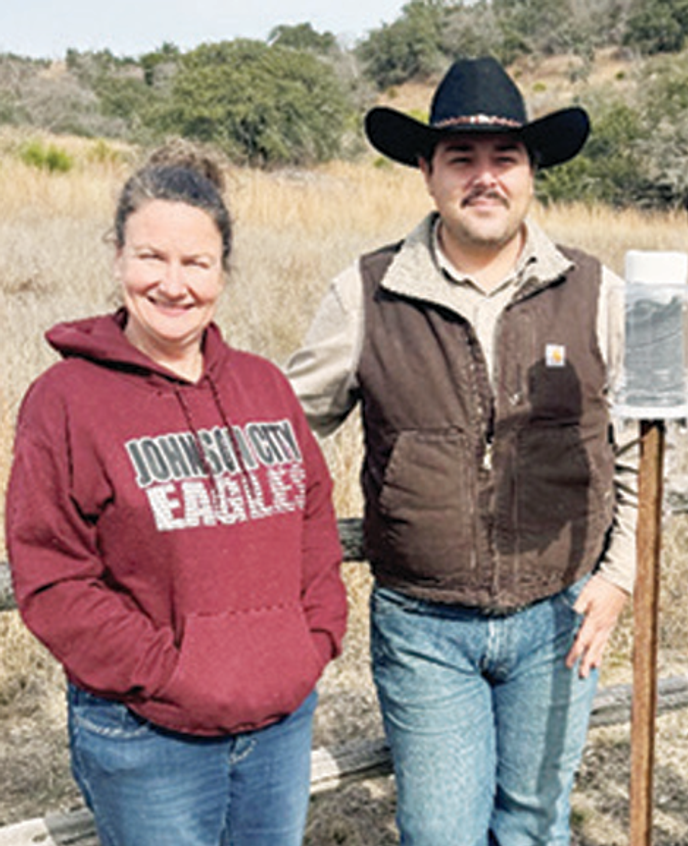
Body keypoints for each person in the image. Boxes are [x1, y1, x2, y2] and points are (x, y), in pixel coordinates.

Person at [285, 56, 637, 845]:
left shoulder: (597, 291)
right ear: (427, 172)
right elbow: (288, 432)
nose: (485, 178)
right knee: (441, 833)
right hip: (423, 623)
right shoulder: (367, 293)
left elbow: (647, 445)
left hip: (561, 615)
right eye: (461, 159)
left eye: (505, 158)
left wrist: (619, 575)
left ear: (532, 172)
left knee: (535, 826)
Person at [5, 143, 348, 846]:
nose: (172, 283)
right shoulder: (66, 400)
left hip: (279, 725)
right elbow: (53, 577)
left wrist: (309, 642)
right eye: (150, 257)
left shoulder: (263, 387)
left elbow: (313, 519)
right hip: (147, 731)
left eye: (196, 262)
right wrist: (169, 671)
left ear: (223, 270)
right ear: (117, 257)